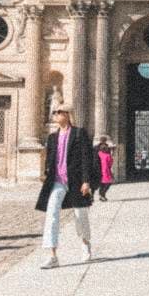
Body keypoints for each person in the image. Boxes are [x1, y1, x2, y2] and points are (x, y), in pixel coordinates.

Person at [35, 103, 93, 269]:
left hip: (75, 181)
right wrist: (46, 172)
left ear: (68, 115)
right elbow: (50, 158)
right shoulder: (52, 137)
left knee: (80, 214)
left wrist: (86, 181)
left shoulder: (79, 133)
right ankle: (52, 255)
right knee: (51, 214)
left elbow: (86, 158)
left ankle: (85, 243)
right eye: (55, 112)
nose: (56, 115)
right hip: (57, 181)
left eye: (59, 112)